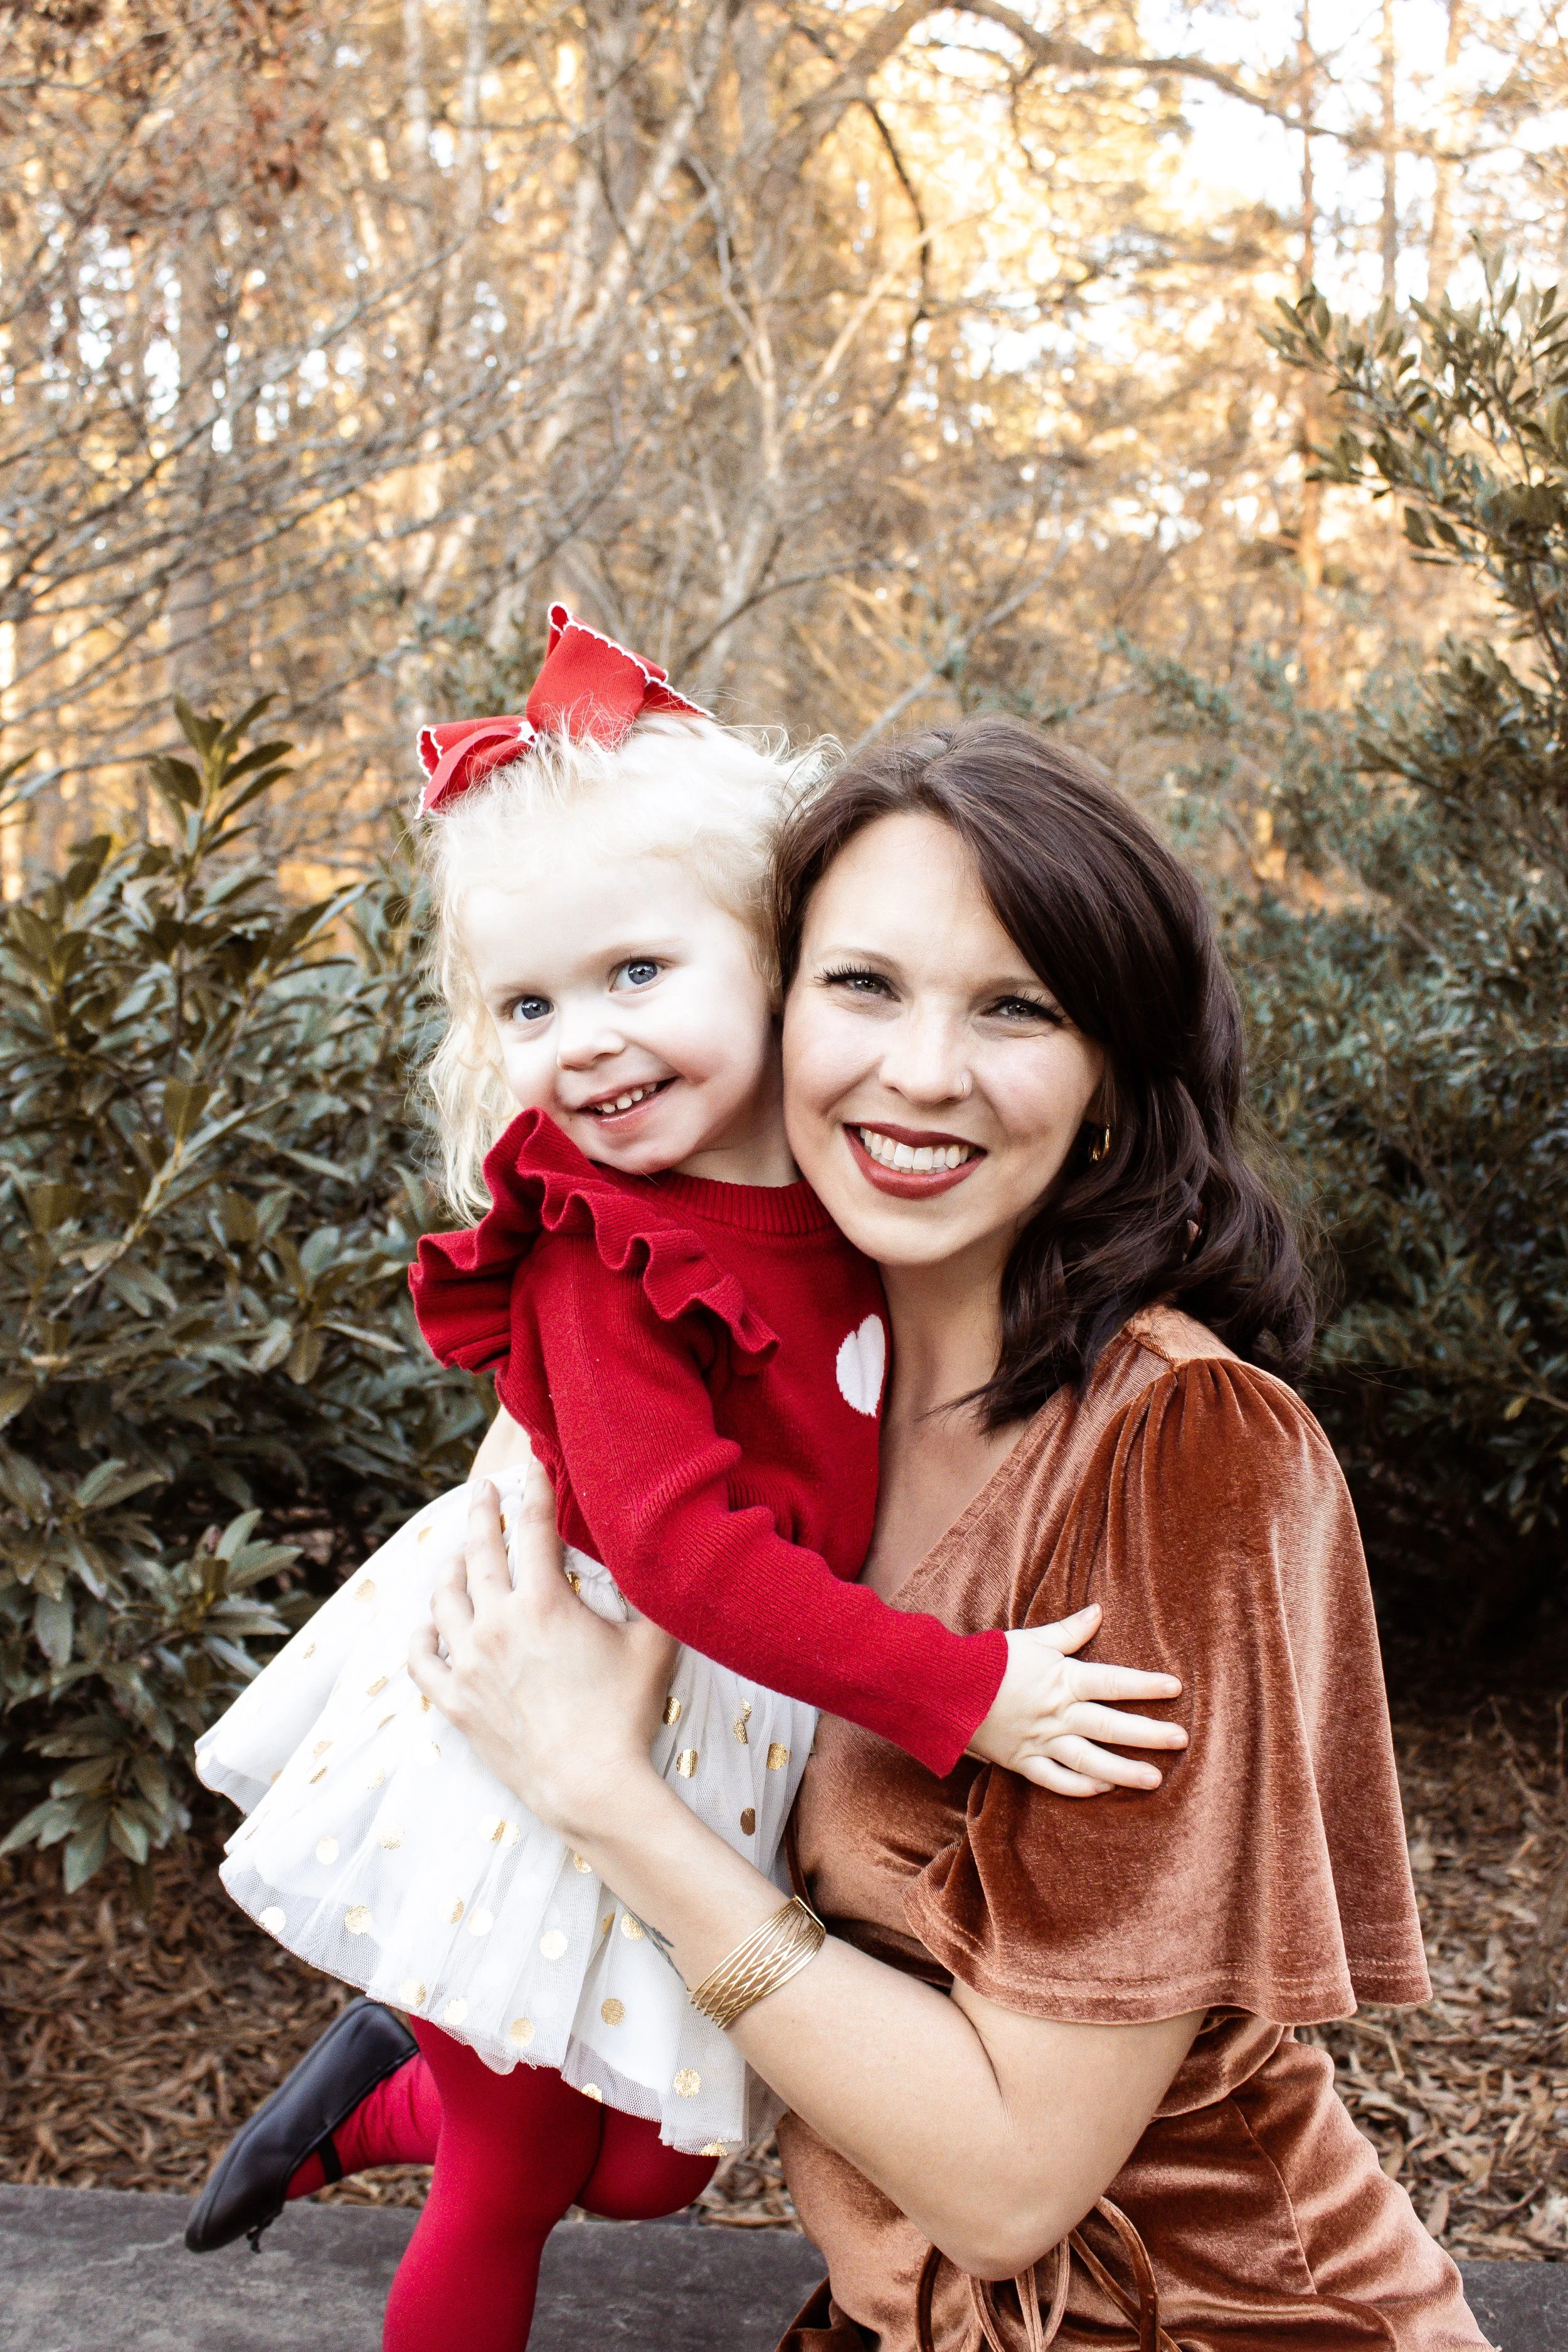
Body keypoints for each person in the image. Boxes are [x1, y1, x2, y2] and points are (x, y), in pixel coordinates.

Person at [409, 718, 1488, 2348]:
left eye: (1015, 1008)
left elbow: (1006, 2185)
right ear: (761, 1001)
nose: (920, 1071)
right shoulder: (772, 1388)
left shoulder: (1174, 1455)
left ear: (1114, 1070)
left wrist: (601, 1797)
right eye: (862, 985)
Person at [186, 635, 1183, 2352]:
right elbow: (675, 1545)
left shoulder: (846, 1166)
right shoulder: (600, 1239)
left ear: (775, 966)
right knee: (510, 2182)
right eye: (530, 1006)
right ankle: (437, 2073)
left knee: (647, 2167)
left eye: (638, 970)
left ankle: (382, 2080)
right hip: (558, 1716)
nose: (588, 1042)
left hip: (720, 1725)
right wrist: (965, 1695)